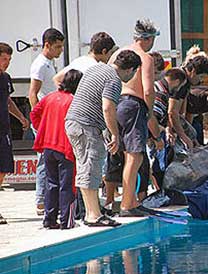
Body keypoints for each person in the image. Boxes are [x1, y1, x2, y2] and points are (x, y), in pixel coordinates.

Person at [65, 49, 141, 227]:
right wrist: (114, 133)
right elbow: (108, 108)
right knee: (91, 167)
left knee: (86, 167)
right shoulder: (114, 80)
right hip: (86, 125)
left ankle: (92, 212)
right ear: (130, 69)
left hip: (74, 121)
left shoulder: (96, 68)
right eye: (135, 72)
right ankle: (93, 215)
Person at [107, 19, 163, 217]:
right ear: (148, 39)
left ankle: (123, 200)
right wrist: (149, 113)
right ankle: (127, 204)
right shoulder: (144, 58)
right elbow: (148, 90)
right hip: (133, 105)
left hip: (114, 104)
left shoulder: (117, 53)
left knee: (121, 156)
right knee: (135, 155)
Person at [30, 69, 83, 229]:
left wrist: (43, 128)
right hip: (66, 147)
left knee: (51, 183)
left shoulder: (49, 97)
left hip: (48, 146)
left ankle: (49, 219)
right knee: (67, 185)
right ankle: (67, 220)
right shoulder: (74, 101)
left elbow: (34, 114)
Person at [28, 28, 65, 215]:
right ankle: (41, 201)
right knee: (44, 159)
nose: (60, 51)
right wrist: (39, 121)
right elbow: (33, 93)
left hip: (51, 118)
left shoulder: (50, 62)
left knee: (50, 159)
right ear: (47, 45)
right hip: (44, 120)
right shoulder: (40, 65)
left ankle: (48, 198)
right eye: (57, 47)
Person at [0, 42, 29, 225]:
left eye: (9, 59)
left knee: (3, 169)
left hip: (4, 130)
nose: (7, 62)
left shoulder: (6, 78)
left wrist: (21, 118)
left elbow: (8, 100)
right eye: (3, 58)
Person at [170, 46, 208, 150]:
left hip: (168, 119)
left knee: (192, 133)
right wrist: (184, 137)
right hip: (157, 116)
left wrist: (191, 138)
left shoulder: (186, 83)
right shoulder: (180, 80)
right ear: (193, 71)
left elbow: (181, 114)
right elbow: (172, 112)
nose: (200, 80)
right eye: (200, 76)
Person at [53, 32, 117, 86]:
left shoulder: (79, 60)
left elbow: (56, 79)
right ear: (104, 51)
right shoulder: (96, 68)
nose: (111, 56)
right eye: (110, 52)